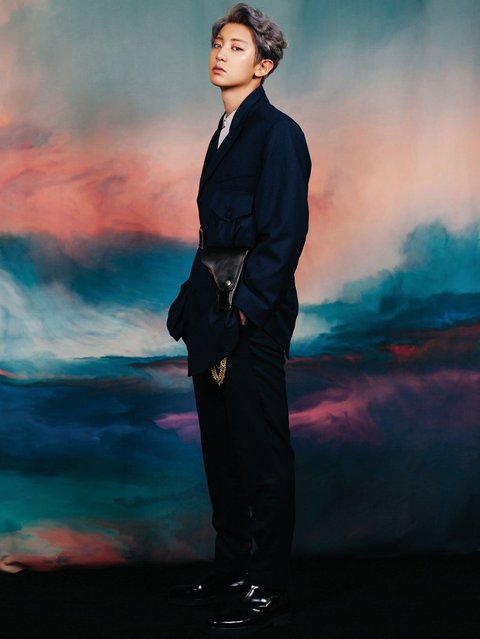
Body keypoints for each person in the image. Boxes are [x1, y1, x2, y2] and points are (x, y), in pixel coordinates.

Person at [166, 3, 311, 634]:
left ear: (264, 65)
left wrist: (245, 314)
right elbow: (216, 235)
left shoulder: (279, 133)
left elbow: (284, 236)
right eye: (218, 43)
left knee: (261, 455)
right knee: (221, 453)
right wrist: (191, 299)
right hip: (212, 310)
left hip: (251, 317)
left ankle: (268, 584)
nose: (221, 54)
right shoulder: (224, 131)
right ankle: (230, 570)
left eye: (237, 47)